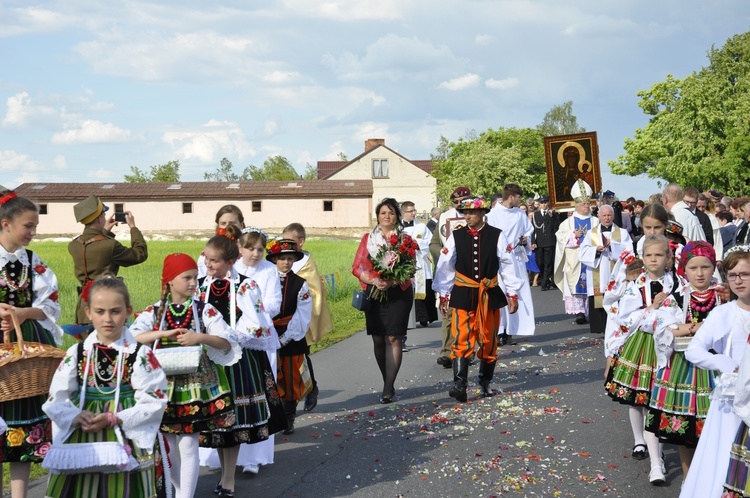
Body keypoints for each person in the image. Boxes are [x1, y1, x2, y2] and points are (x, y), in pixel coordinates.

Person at [42, 277, 168, 498]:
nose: (107, 319)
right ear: (89, 312)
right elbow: (56, 397)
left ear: (128, 311)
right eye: (100, 311)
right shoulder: (78, 352)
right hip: (84, 434)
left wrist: (115, 418)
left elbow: (155, 399)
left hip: (126, 434)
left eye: (115, 311)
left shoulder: (140, 354)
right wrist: (74, 416)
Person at [131, 254, 241, 498]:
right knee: (169, 446)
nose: (194, 283)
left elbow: (225, 342)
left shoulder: (204, 310)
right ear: (170, 281)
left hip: (195, 386)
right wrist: (164, 333)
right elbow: (133, 337)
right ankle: (178, 492)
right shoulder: (155, 312)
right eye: (187, 277)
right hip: (164, 385)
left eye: (195, 277)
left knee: (189, 444)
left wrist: (199, 338)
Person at [197, 226, 286, 497]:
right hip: (209, 360)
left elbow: (257, 324)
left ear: (230, 261)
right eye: (207, 258)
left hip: (237, 358)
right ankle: (225, 475)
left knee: (232, 420)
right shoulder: (201, 286)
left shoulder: (246, 286)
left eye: (214, 260)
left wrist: (227, 337)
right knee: (218, 420)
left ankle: (228, 479)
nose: (208, 264)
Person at [604, 235, 682, 485]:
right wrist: (652, 309)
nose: (653, 260)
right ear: (643, 258)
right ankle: (654, 461)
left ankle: (664, 454)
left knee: (662, 402)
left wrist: (666, 311)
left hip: (671, 345)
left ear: (668, 257)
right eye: (649, 256)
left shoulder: (677, 282)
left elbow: (685, 308)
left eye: (659, 255)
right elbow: (625, 316)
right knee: (643, 400)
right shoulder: (636, 284)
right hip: (643, 346)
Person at [0, 188, 63, 498]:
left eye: (35, 226)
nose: (33, 232)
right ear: (5, 224)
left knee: (24, 423)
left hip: (23, 347)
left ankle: (19, 495)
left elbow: (50, 303)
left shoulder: (32, 261)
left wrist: (22, 312)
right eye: (28, 225)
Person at [644, 241, 722, 484]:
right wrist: (697, 327)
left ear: (713, 268)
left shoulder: (724, 296)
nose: (699, 273)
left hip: (718, 370)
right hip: (684, 369)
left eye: (705, 267)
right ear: (683, 270)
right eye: (693, 268)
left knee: (717, 430)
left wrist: (688, 329)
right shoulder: (675, 297)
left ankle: (715, 481)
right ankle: (691, 483)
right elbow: (662, 328)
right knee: (686, 432)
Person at [433, 196, 523, 401]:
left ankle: (484, 381)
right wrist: (444, 294)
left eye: (472, 213)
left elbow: (508, 265)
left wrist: (512, 293)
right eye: (465, 213)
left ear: (483, 213)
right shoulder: (456, 236)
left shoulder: (497, 236)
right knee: (461, 336)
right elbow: (445, 265)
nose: (468, 217)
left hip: (488, 294)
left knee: (488, 340)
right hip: (463, 293)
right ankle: (460, 384)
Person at [681, 246, 750, 498]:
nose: (738, 280)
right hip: (732, 400)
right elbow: (694, 350)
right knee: (725, 456)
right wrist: (725, 363)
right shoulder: (723, 313)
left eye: (745, 274)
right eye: (732, 275)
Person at [351, 198, 414, 404]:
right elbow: (357, 267)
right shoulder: (368, 239)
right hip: (375, 291)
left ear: (397, 216)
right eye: (383, 213)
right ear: (377, 216)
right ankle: (388, 380)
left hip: (398, 293)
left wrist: (392, 281)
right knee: (378, 338)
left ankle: (388, 388)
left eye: (391, 213)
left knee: (394, 338)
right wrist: (375, 279)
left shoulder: (405, 240)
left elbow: (411, 268)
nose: (387, 216)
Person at [231, 227, 283, 476]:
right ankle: (225, 454)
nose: (255, 253)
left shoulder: (269, 270)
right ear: (240, 248)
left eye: (260, 249)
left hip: (258, 336)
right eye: (250, 248)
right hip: (232, 337)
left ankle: (254, 456)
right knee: (232, 396)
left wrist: (251, 312)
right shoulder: (231, 269)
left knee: (258, 395)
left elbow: (273, 303)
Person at [68, 195, 148, 326]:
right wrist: (133, 227)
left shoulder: (73, 245)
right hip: (107, 307)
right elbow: (140, 254)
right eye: (103, 216)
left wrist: (105, 231)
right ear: (99, 219)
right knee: (111, 345)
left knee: (87, 345)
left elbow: (94, 247)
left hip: (84, 308)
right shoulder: (110, 245)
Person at [281, 223, 334, 414]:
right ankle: (289, 402)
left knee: (301, 355)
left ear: (301, 242)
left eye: (291, 242)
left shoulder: (305, 264)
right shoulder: (280, 260)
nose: (285, 246)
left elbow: (315, 291)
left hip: (300, 317)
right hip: (280, 319)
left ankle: (308, 391)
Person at [266, 239, 312, 435]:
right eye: (282, 258)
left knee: (292, 376)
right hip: (267, 334)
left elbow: (303, 314)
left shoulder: (300, 284)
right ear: (275, 259)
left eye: (290, 258)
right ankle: (271, 417)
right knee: (270, 377)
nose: (286, 262)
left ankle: (289, 417)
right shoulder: (265, 281)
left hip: (291, 336)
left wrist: (285, 338)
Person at [486, 183, 535, 344]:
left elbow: (529, 230)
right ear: (511, 197)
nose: (520, 201)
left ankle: (512, 331)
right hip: (499, 260)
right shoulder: (493, 214)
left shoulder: (520, 214)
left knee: (516, 293)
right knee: (501, 293)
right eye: (519, 197)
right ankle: (499, 330)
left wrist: (525, 238)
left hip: (516, 257)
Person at [429, 186, 471, 368]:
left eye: (464, 201)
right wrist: (445, 254)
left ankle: (467, 350)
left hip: (471, 271)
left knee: (469, 312)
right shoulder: (445, 218)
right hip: (449, 272)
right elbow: (434, 244)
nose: (460, 205)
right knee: (448, 311)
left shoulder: (478, 214)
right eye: (456, 202)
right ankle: (446, 352)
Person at [579, 204, 633, 334]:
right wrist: (595, 251)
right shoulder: (591, 234)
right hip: (598, 271)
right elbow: (582, 253)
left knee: (615, 298)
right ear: (598, 216)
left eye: (609, 215)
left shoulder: (622, 232)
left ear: (613, 216)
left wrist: (613, 247)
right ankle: (601, 328)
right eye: (604, 215)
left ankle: (616, 327)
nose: (607, 218)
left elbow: (629, 251)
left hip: (616, 273)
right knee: (599, 298)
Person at [554, 180, 600, 325]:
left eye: (588, 203)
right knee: (576, 283)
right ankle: (579, 312)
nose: (587, 206)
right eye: (584, 204)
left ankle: (592, 311)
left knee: (593, 283)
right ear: (577, 205)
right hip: (575, 259)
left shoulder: (595, 221)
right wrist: (572, 235)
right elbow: (560, 237)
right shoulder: (567, 222)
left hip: (591, 258)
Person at [401, 201, 438, 329]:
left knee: (424, 288)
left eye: (414, 210)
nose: (414, 213)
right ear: (403, 213)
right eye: (411, 211)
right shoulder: (398, 228)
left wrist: (418, 243)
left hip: (420, 260)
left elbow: (431, 240)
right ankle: (409, 318)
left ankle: (424, 317)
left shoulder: (422, 227)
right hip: (405, 263)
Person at [198, 204, 246, 278]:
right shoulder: (207, 254)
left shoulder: (250, 251)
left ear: (241, 224)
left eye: (232, 223)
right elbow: (201, 277)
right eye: (223, 223)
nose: (227, 227)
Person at [531, 196, 558, 291]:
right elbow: (533, 230)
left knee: (548, 263)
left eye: (545, 202)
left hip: (550, 242)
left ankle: (544, 282)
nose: (544, 204)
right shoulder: (536, 215)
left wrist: (552, 217)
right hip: (539, 242)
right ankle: (545, 279)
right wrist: (533, 242)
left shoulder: (553, 214)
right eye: (542, 203)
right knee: (540, 263)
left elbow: (556, 227)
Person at [526, 211, 541, 287]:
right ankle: (527, 281)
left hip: (534, 247)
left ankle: (535, 281)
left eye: (532, 216)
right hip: (525, 247)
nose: (531, 217)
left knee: (534, 264)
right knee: (526, 265)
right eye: (530, 216)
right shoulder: (524, 223)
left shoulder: (537, 223)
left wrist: (534, 243)